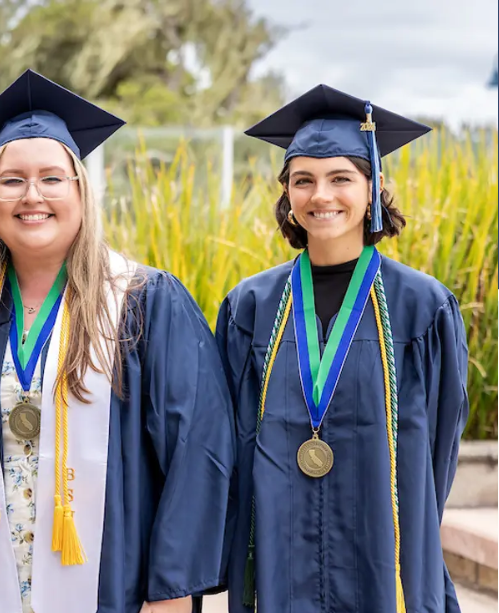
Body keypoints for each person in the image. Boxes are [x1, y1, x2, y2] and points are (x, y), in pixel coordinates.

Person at [0, 70, 234, 613]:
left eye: (52, 178)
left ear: (80, 191)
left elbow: (197, 452)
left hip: (113, 589)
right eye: (11, 180)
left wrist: (173, 593)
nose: (32, 196)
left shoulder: (143, 300)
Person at [217, 84, 469, 613]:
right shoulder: (251, 306)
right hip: (279, 552)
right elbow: (233, 441)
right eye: (303, 180)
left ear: (373, 188)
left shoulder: (423, 307)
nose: (321, 195)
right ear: (288, 194)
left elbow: (439, 447)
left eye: (340, 178)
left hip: (385, 547)